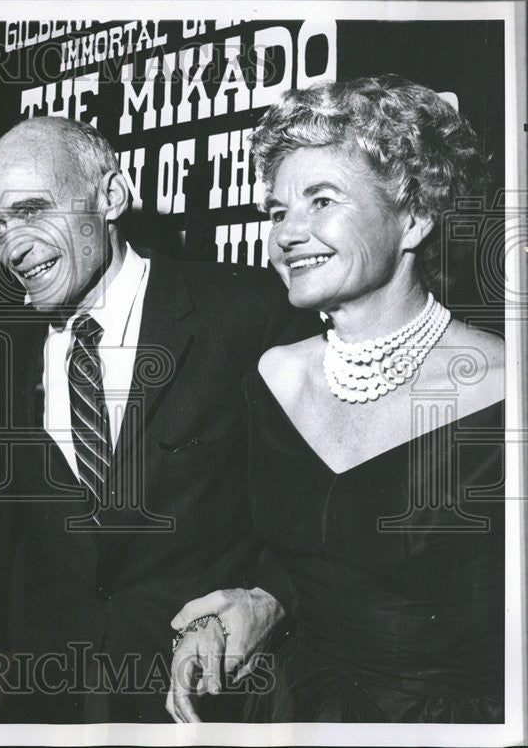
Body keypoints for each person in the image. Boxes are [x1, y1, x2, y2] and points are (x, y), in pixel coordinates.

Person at [168, 75, 505, 723]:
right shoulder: (274, 377)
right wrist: (256, 600)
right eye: (276, 210)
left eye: (321, 200)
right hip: (291, 708)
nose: (288, 233)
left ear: (414, 216)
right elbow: (313, 553)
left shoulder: (503, 390)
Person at [0, 116, 319, 722]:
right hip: (51, 700)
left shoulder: (248, 316)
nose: (12, 248)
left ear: (111, 196)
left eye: (32, 211)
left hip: (206, 697)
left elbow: (318, 513)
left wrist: (266, 601)